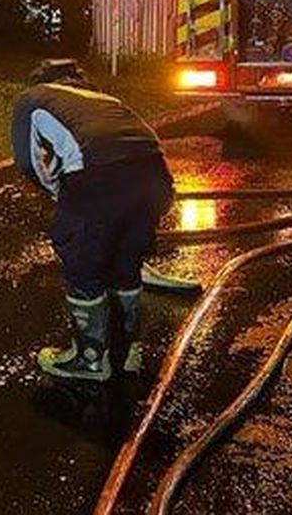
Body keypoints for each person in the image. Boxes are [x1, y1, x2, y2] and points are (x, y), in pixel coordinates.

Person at [11, 59, 175, 382]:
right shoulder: (106, 101)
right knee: (125, 261)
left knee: (83, 260)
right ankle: (127, 352)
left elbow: (28, 163)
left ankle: (89, 360)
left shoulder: (31, 100)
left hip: (100, 179)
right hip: (156, 178)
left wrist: (60, 194)